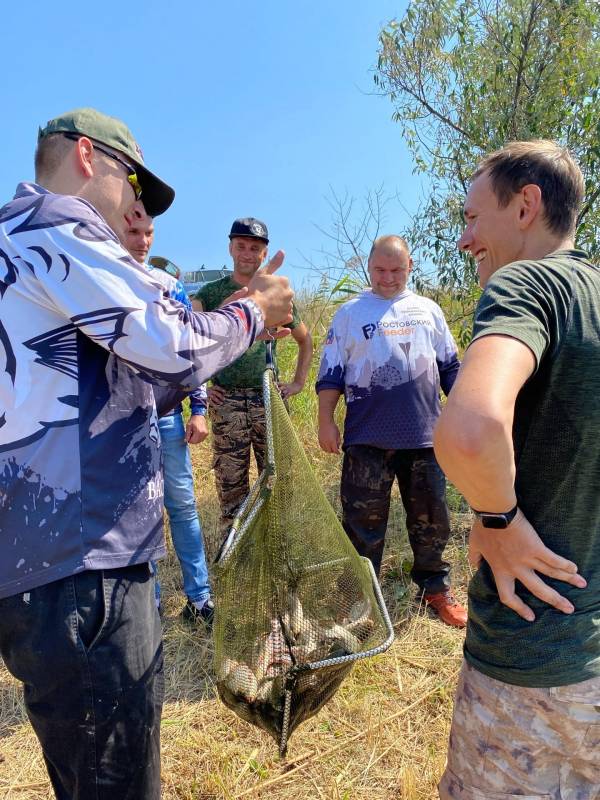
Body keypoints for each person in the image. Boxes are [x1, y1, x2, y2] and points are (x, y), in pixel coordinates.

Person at [0, 107, 292, 800]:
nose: (134, 204)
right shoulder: (55, 228)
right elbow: (169, 342)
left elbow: (97, 388)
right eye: (131, 181)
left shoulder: (16, 247)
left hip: (42, 573)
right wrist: (252, 313)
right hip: (85, 571)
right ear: (84, 157)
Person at [433, 140, 599, 797]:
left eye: (474, 217)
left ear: (526, 205)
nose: (465, 238)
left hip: (532, 670)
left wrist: (496, 517)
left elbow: (470, 430)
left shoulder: (527, 283)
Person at [316, 236, 466, 628]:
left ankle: (435, 587)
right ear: (369, 268)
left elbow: (451, 369)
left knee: (432, 518)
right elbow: (331, 372)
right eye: (380, 270)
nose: (388, 278)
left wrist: (469, 412)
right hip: (367, 439)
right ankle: (361, 596)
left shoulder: (428, 311)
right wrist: (325, 420)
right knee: (362, 523)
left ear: (410, 266)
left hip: (424, 437)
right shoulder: (348, 314)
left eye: (396, 270)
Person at [193, 218, 313, 539]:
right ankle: (236, 556)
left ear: (264, 254)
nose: (247, 254)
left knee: (277, 480)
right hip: (226, 400)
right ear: (231, 248)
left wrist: (298, 382)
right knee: (231, 485)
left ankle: (280, 548)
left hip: (268, 398)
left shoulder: (276, 293)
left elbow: (305, 340)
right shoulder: (210, 293)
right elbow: (190, 343)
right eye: (242, 246)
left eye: (255, 248)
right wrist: (203, 388)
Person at [123, 205, 213, 625]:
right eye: (134, 231)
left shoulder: (170, 287)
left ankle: (200, 598)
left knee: (183, 508)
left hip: (166, 418)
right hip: (124, 423)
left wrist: (198, 409)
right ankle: (150, 604)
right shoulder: (108, 281)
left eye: (148, 232)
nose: (142, 240)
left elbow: (190, 350)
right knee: (142, 515)